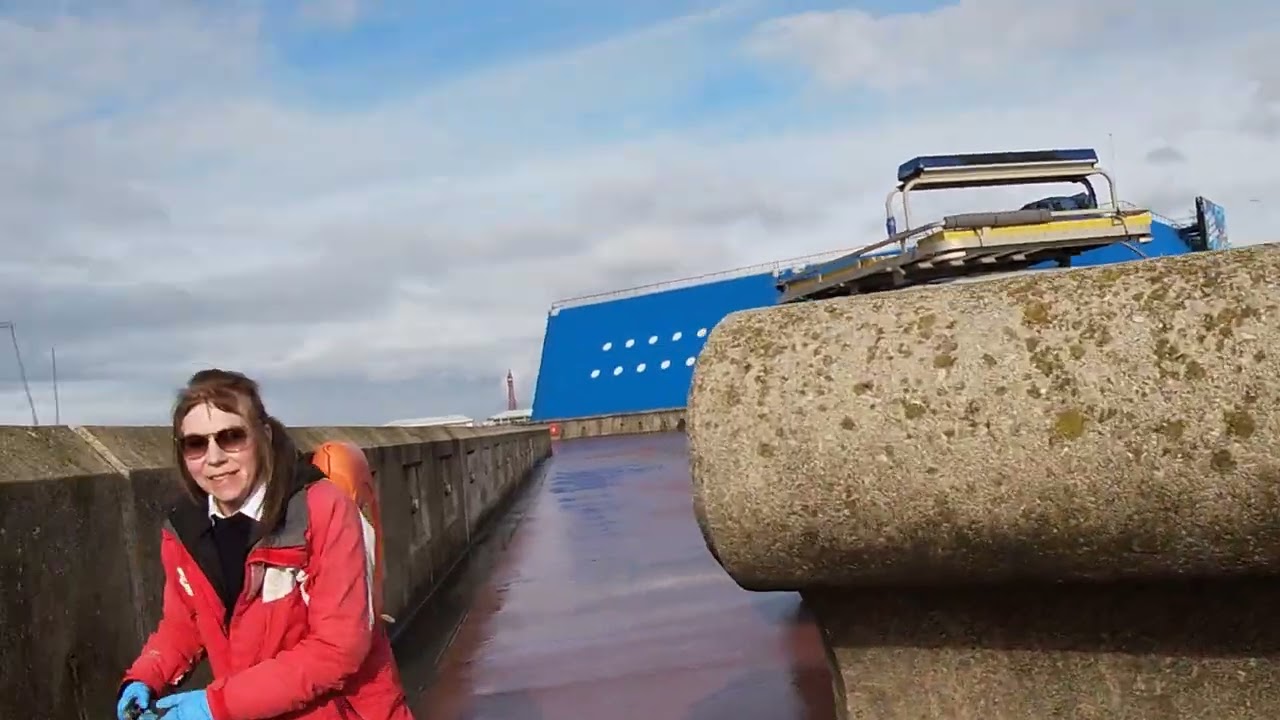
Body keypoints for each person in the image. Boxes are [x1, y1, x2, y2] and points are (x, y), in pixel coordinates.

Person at [115, 369, 415, 720]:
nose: (214, 458)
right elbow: (184, 624)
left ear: (264, 435)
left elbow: (338, 647)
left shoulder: (321, 509)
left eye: (231, 437)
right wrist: (145, 677)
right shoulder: (184, 530)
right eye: (196, 443)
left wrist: (216, 706)